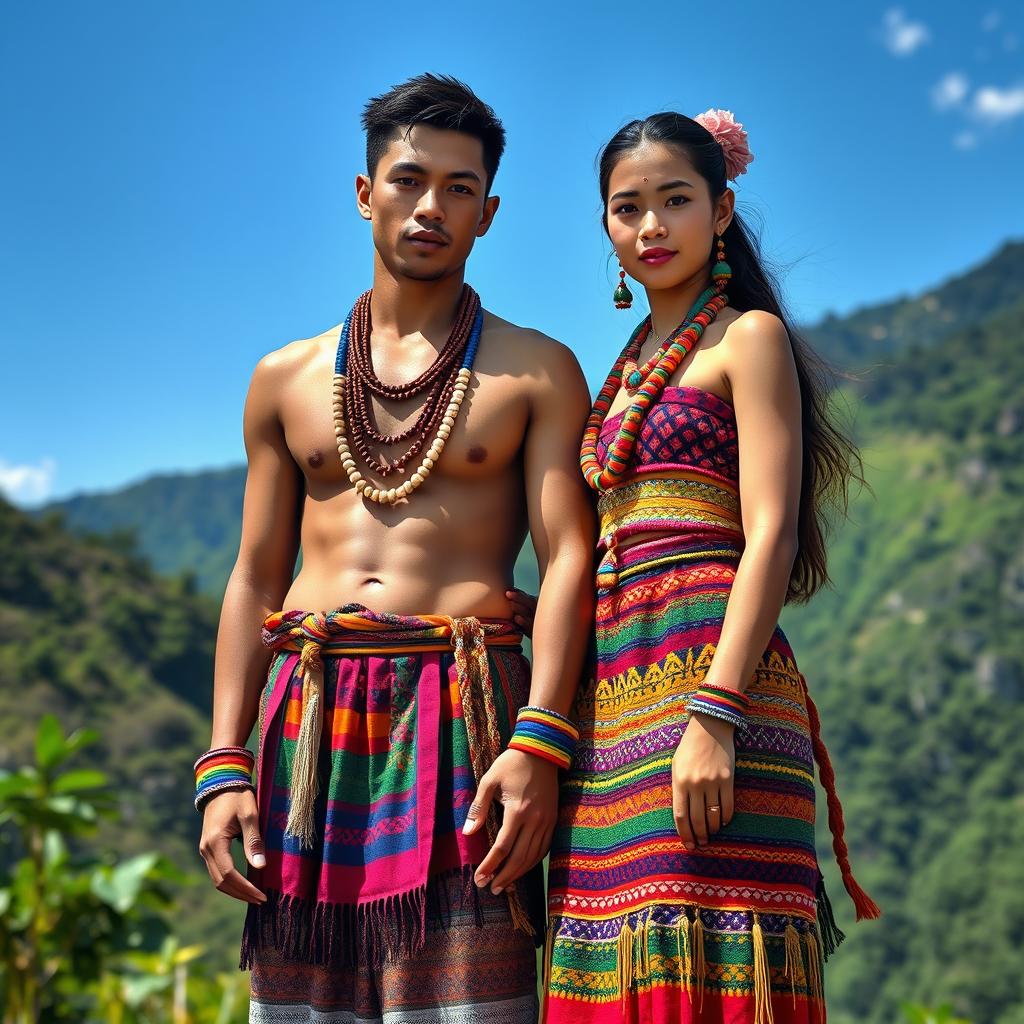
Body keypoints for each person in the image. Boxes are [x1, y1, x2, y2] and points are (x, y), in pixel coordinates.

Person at [193, 73, 595, 1024]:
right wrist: (223, 763)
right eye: (410, 180)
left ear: (488, 213)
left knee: (468, 1004)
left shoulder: (536, 370)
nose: (431, 207)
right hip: (309, 715)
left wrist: (540, 741)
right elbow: (255, 576)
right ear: (365, 192)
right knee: (301, 1007)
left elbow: (570, 559)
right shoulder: (284, 378)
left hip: (465, 712)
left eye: (460, 188)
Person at [543, 110, 881, 1024]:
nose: (650, 226)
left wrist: (715, 716)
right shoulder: (622, 372)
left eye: (675, 200)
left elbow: (770, 536)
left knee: (716, 971)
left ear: (722, 210)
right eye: (627, 208)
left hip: (716, 693)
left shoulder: (747, 339)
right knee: (608, 963)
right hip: (611, 708)